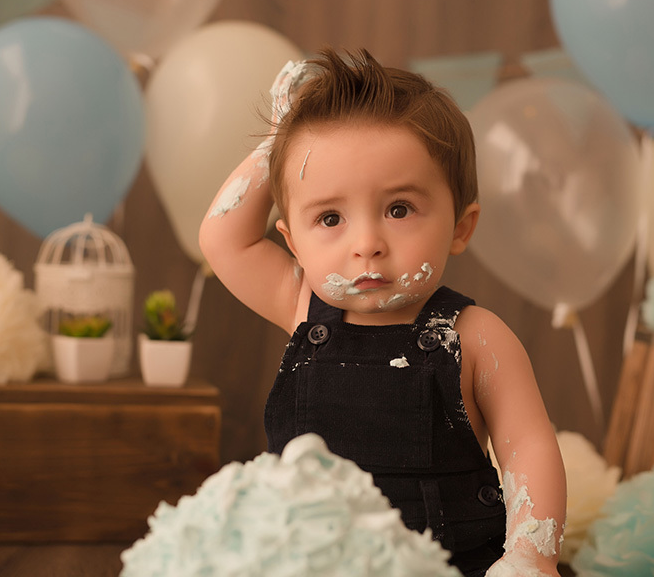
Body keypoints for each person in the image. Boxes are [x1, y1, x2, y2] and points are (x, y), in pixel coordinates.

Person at [199, 48, 566, 577]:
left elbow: (528, 445)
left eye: (399, 209)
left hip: (445, 563)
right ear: (293, 244)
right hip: (311, 561)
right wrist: (279, 141)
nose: (367, 243)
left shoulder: (475, 337)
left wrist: (531, 556)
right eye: (329, 217)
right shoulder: (302, 306)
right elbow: (223, 237)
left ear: (461, 227)